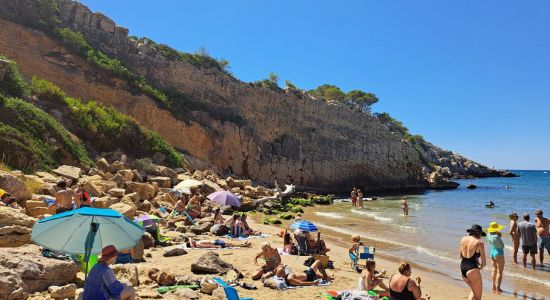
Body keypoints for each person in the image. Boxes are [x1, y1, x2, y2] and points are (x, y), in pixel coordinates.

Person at [460, 224, 487, 300]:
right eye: (481, 234)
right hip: (472, 269)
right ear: (478, 233)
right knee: (478, 297)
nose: (481, 236)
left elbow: (461, 255)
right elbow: (484, 263)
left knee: (474, 290)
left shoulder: (463, 239)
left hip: (462, 268)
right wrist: (479, 268)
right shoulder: (479, 243)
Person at [487, 222, 505, 292]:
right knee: (500, 272)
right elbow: (502, 246)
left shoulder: (488, 234)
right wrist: (499, 236)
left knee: (494, 269)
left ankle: (493, 286)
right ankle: (498, 287)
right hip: (498, 253)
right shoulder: (497, 236)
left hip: (492, 252)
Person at [185, 239, 251, 248]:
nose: (193, 240)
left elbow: (190, 238)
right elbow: (207, 246)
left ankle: (242, 244)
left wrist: (190, 241)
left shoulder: (195, 242)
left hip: (215, 241)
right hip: (216, 243)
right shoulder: (197, 244)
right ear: (191, 244)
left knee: (230, 243)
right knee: (230, 244)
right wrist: (215, 246)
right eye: (191, 241)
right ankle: (243, 245)